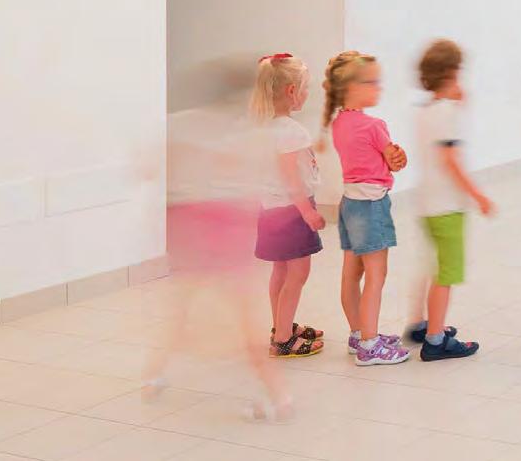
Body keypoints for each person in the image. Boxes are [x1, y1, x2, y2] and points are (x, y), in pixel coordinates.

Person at [142, 57, 290, 421]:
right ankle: (278, 396)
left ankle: (154, 375)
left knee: (183, 305)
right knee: (245, 316)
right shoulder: (255, 134)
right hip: (229, 231)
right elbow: (263, 184)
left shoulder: (182, 125)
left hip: (191, 228)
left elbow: (148, 167)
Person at [404, 39, 494, 361]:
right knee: (445, 275)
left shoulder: (425, 111)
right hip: (447, 206)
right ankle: (436, 339)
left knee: (431, 266)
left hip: (427, 204)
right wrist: (477, 194)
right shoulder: (447, 113)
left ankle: (420, 323)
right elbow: (450, 160)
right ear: (452, 72)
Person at [322, 51, 409, 366]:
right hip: (371, 205)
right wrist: (398, 159)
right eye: (372, 82)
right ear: (351, 87)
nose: (378, 87)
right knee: (376, 274)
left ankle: (359, 334)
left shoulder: (338, 124)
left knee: (351, 273)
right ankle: (370, 346)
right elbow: (394, 162)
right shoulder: (374, 126)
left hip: (349, 204)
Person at [250, 53, 326, 361]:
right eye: (305, 89)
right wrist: (307, 212)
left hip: (270, 209)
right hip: (292, 211)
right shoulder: (292, 132)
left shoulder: (264, 128)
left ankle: (281, 325)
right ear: (292, 91)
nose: (307, 95)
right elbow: (291, 177)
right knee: (298, 273)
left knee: (280, 270)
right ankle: (283, 339)